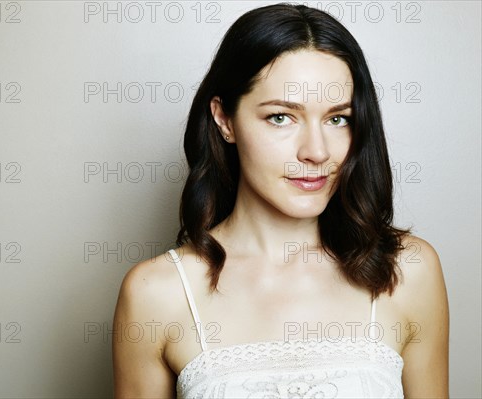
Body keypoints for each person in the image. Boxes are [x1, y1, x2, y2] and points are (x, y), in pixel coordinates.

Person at [112, 3, 449, 398]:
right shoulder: (156, 293)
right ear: (224, 119)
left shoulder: (407, 271)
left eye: (337, 118)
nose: (317, 152)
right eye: (281, 117)